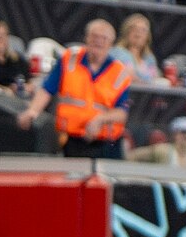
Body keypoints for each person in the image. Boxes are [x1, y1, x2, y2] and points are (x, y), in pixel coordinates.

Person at [14, 19, 131, 160]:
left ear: (111, 44)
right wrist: (33, 111)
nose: (98, 41)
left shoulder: (119, 72)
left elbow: (121, 113)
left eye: (104, 38)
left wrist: (100, 119)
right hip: (72, 139)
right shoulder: (69, 60)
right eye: (94, 36)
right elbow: (47, 89)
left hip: (105, 143)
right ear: (86, 38)